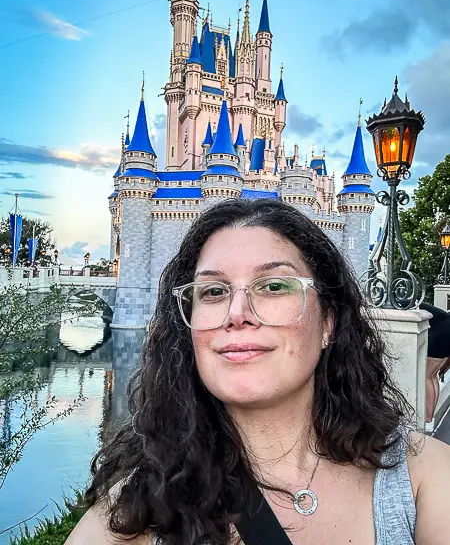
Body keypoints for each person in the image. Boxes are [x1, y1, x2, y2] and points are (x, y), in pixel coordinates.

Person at [67, 199, 450, 545]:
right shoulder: (134, 512)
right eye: (213, 292)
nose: (237, 314)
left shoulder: (420, 479)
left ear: (328, 323)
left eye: (274, 285)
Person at [419, 301, 450, 424]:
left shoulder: (404, 306)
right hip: (446, 333)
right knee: (432, 376)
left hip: (440, 336)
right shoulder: (416, 303)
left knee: (427, 376)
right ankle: (430, 415)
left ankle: (428, 416)